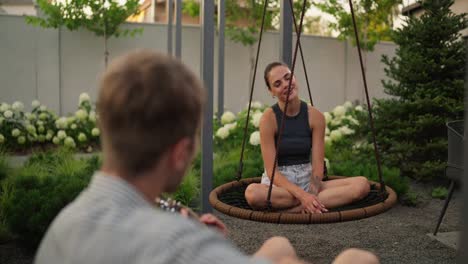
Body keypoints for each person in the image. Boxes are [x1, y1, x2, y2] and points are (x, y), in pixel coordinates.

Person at [34, 51, 378, 264]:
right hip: (280, 187)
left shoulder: (61, 228)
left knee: (277, 242)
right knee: (355, 258)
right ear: (181, 151)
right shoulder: (181, 246)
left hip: (305, 186)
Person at [245, 62, 371, 214]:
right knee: (252, 193)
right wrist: (302, 196)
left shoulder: (315, 117)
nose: (286, 84)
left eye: (288, 78)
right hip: (279, 187)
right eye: (277, 84)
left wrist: (310, 193)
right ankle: (308, 204)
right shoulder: (268, 119)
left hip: (309, 182)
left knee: (361, 185)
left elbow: (318, 167)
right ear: (271, 91)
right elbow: (272, 173)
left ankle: (292, 211)